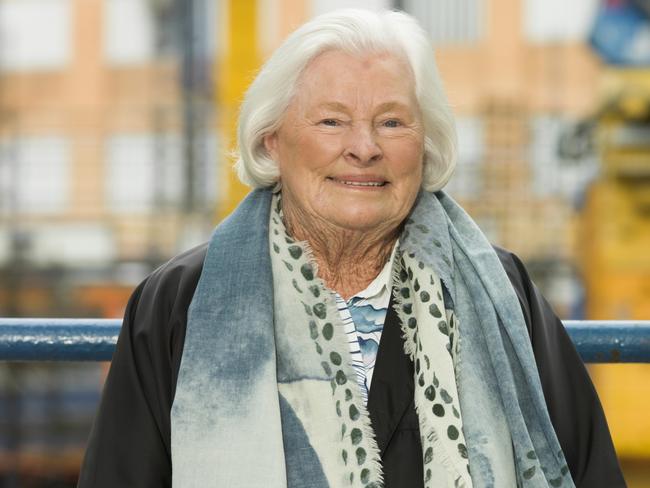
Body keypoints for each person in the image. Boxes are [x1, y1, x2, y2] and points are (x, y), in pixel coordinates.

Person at [77, 9, 626, 488]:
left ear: (425, 142)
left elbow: (587, 469)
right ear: (272, 138)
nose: (363, 148)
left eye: (391, 122)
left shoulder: (502, 291)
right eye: (332, 120)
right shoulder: (179, 302)